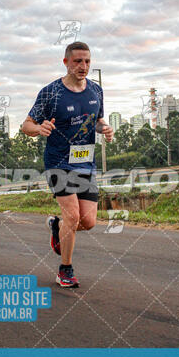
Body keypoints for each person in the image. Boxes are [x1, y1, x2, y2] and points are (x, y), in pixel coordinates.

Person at [22, 42, 113, 287]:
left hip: (85, 163)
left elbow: (96, 120)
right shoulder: (51, 92)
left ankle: (56, 226)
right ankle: (65, 269)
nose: (83, 66)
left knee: (89, 222)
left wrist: (104, 128)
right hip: (59, 162)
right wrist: (39, 129)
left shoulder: (96, 90)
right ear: (66, 62)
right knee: (73, 217)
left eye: (87, 61)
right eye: (77, 61)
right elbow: (26, 125)